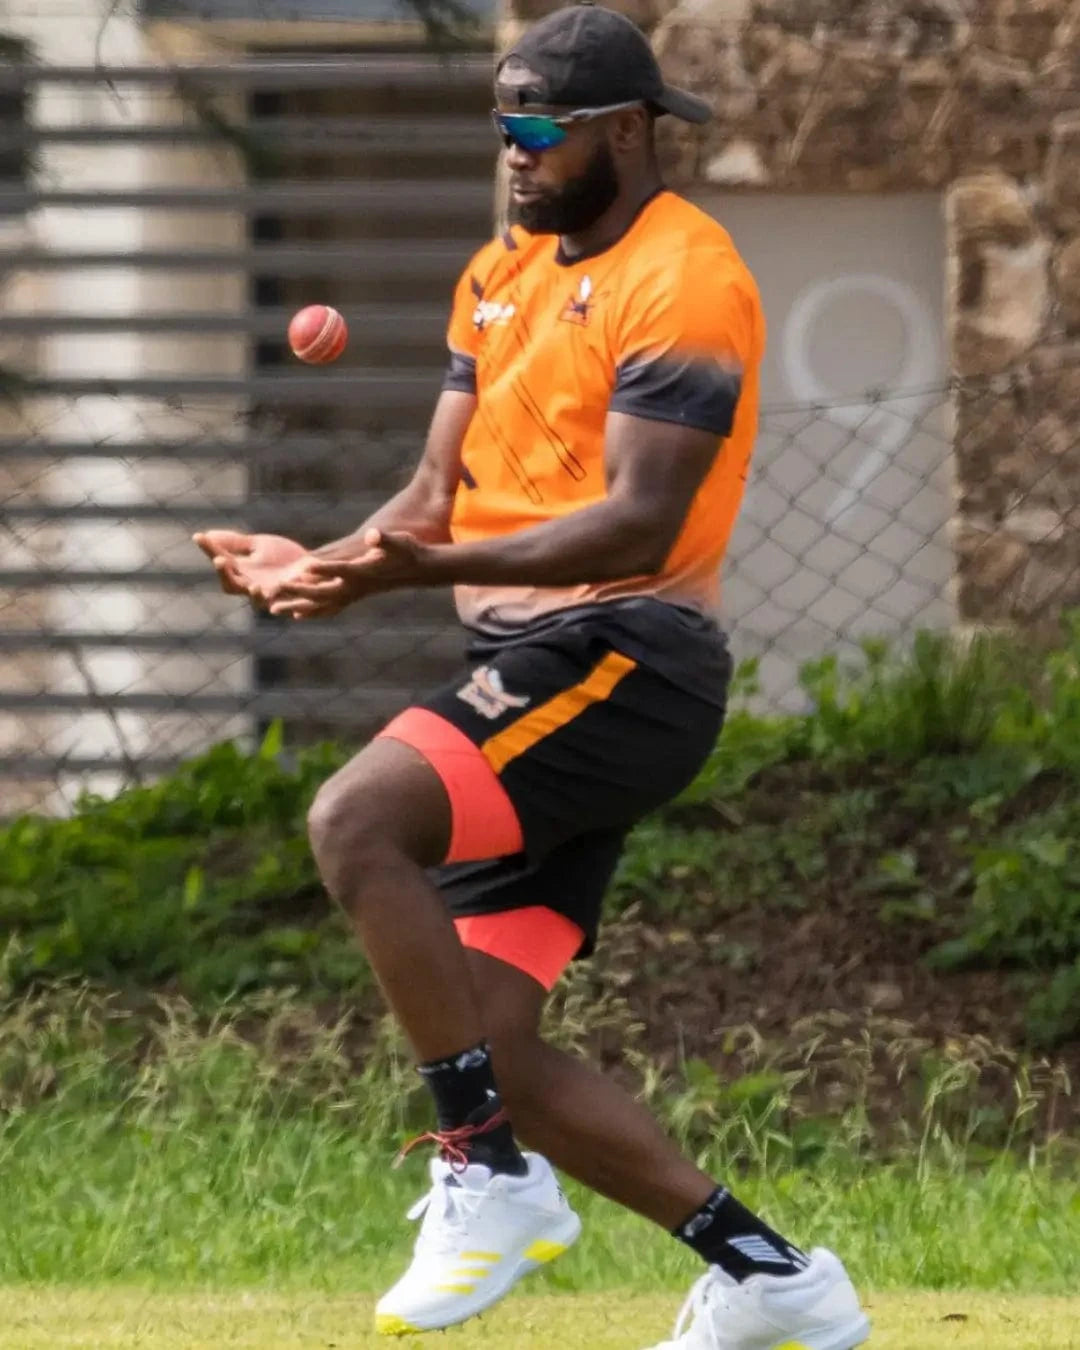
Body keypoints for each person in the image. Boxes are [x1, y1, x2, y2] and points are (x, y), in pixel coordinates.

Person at [194, 6, 870, 1347]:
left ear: (625, 133)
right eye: (501, 126)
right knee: (494, 1036)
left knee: (354, 818)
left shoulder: (685, 275)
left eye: (538, 130)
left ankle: (483, 1169)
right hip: (526, 658)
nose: (512, 153)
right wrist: (321, 562)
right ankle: (775, 1277)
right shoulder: (497, 271)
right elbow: (437, 491)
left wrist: (395, 574)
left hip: (627, 658)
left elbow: (640, 521)